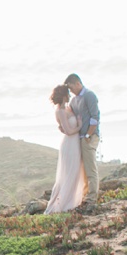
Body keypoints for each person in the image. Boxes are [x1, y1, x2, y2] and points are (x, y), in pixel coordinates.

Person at [44, 84, 86, 214]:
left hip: (74, 143)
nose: (69, 95)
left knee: (74, 172)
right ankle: (62, 204)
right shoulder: (60, 111)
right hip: (70, 144)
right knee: (69, 173)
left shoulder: (67, 108)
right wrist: (79, 126)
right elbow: (68, 131)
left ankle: (71, 200)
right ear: (63, 96)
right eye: (67, 93)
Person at [65, 73, 100, 206]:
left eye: (72, 87)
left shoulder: (89, 95)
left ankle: (92, 197)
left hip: (88, 137)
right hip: (78, 138)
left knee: (90, 168)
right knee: (83, 169)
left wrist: (88, 135)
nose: (71, 91)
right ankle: (85, 195)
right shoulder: (74, 101)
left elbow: (95, 117)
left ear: (78, 83)